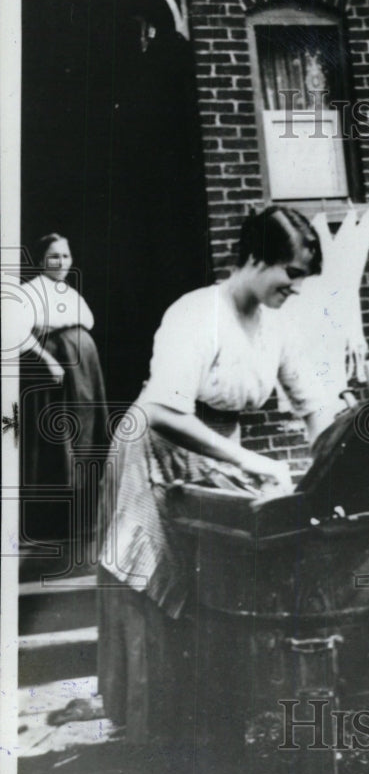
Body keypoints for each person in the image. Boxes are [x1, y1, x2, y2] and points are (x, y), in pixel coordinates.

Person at [97, 206, 335, 744]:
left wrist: (335, 457)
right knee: (162, 583)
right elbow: (162, 410)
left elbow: (313, 404)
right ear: (254, 259)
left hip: (215, 452)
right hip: (153, 453)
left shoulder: (279, 323)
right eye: (290, 274)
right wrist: (254, 463)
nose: (296, 287)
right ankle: (157, 737)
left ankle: (212, 724)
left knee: (216, 580)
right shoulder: (197, 313)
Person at [18, 233, 108, 543]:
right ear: (42, 260)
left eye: (66, 256)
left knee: (86, 436)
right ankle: (55, 527)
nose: (61, 262)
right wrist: (48, 360)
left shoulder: (69, 292)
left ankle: (84, 522)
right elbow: (18, 331)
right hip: (57, 370)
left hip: (85, 371)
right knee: (60, 440)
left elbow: (87, 323)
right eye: (54, 256)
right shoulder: (30, 292)